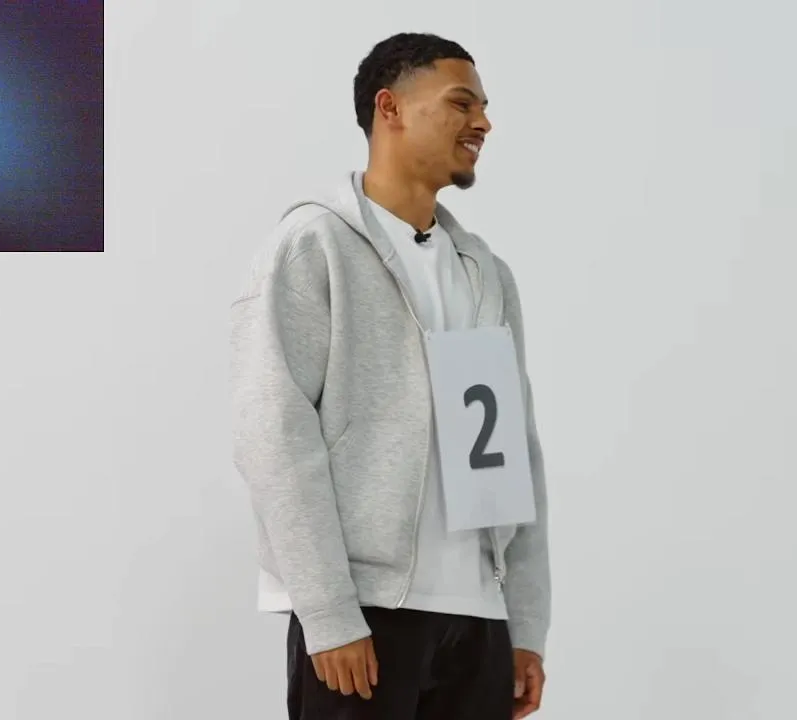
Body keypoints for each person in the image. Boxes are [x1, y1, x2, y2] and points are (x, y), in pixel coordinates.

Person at [230, 32, 550, 719]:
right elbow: (273, 432)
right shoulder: (314, 245)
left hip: (478, 620)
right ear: (390, 108)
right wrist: (327, 611)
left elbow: (514, 451)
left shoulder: (485, 274)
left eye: (484, 107)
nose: (483, 122)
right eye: (462, 103)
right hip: (367, 616)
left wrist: (523, 624)